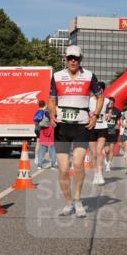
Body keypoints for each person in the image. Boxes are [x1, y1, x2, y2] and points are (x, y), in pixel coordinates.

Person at [49, 45, 103, 217]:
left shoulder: (88, 75)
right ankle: (68, 202)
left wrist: (95, 116)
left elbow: (99, 96)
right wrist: (51, 114)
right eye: (70, 58)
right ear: (65, 59)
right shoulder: (57, 76)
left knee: (78, 164)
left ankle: (78, 200)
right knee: (63, 169)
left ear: (81, 59)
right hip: (62, 127)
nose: (73, 61)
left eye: (76, 58)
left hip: (81, 126)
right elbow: (51, 99)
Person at [88, 82, 109, 185]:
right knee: (94, 154)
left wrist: (109, 115)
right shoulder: (90, 100)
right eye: (97, 89)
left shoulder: (107, 101)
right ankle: (95, 174)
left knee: (99, 151)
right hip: (92, 127)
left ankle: (100, 174)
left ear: (103, 90)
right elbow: (85, 111)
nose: (98, 91)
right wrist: (90, 114)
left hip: (102, 127)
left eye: (100, 89)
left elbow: (110, 111)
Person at [33, 100, 55, 169]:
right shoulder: (47, 112)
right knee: (52, 147)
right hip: (50, 130)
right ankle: (53, 165)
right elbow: (52, 120)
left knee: (42, 147)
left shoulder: (38, 112)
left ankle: (39, 164)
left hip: (42, 130)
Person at [102, 95, 120, 172]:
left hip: (113, 131)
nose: (110, 104)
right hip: (105, 131)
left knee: (112, 149)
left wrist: (118, 125)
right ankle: (106, 159)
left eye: (112, 103)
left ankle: (108, 164)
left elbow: (119, 120)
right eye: (109, 103)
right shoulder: (104, 110)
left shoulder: (117, 111)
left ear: (114, 103)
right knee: (106, 150)